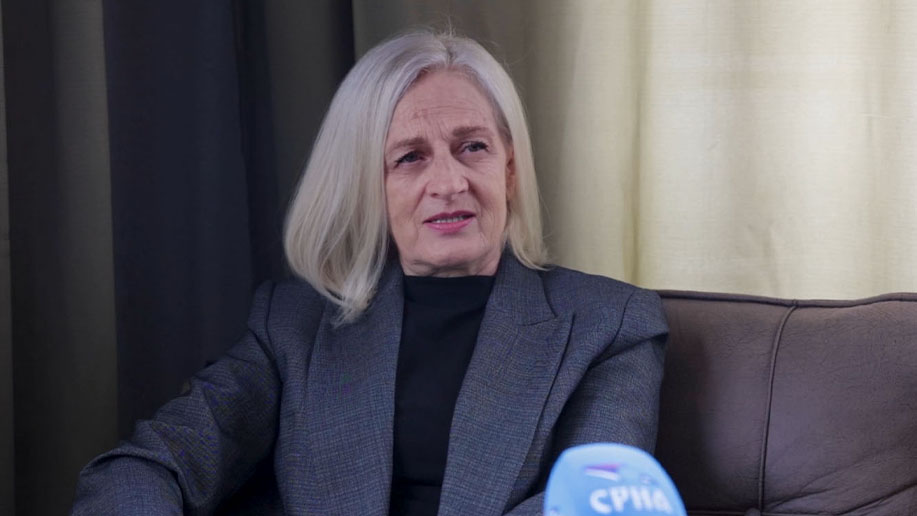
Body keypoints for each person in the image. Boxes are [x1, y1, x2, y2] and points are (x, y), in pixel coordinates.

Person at [72, 31, 668, 516]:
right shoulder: (293, 326)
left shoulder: (611, 324)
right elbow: (147, 466)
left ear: (509, 171)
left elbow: (599, 505)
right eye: (409, 157)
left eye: (473, 147)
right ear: (366, 188)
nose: (449, 182)